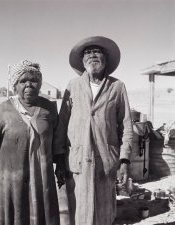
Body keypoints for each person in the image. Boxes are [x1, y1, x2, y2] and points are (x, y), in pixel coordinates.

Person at [54, 36, 133, 225]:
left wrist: (124, 161)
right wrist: (58, 159)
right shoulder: (73, 86)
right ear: (82, 61)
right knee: (79, 213)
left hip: (106, 161)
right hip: (77, 161)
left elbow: (127, 125)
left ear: (106, 58)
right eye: (87, 53)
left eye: (97, 51)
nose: (92, 55)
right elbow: (62, 123)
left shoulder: (117, 86)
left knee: (104, 213)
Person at [0, 60, 65, 225]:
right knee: (15, 214)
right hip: (12, 177)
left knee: (44, 212)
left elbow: (58, 140)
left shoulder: (49, 109)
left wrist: (60, 166)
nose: (28, 85)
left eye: (33, 81)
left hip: (42, 177)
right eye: (23, 81)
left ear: (40, 84)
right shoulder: (2, 110)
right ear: (15, 86)